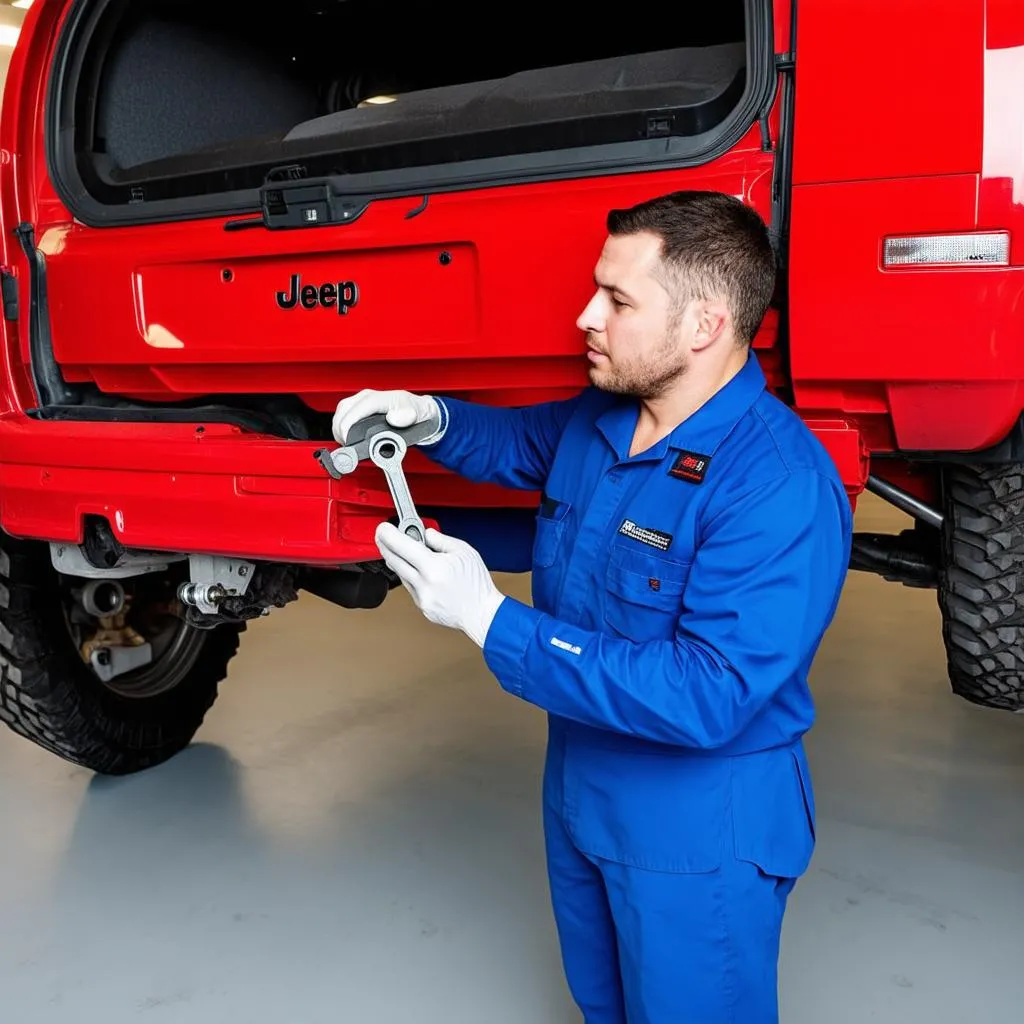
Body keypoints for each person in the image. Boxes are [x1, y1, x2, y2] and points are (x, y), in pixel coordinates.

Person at [332, 190, 853, 1023]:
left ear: (704, 326)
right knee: (602, 1006)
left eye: (616, 299)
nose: (585, 316)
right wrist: (428, 417)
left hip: (698, 826)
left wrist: (492, 620)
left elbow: (708, 693)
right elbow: (519, 445)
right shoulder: (606, 416)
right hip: (582, 785)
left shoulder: (776, 485)